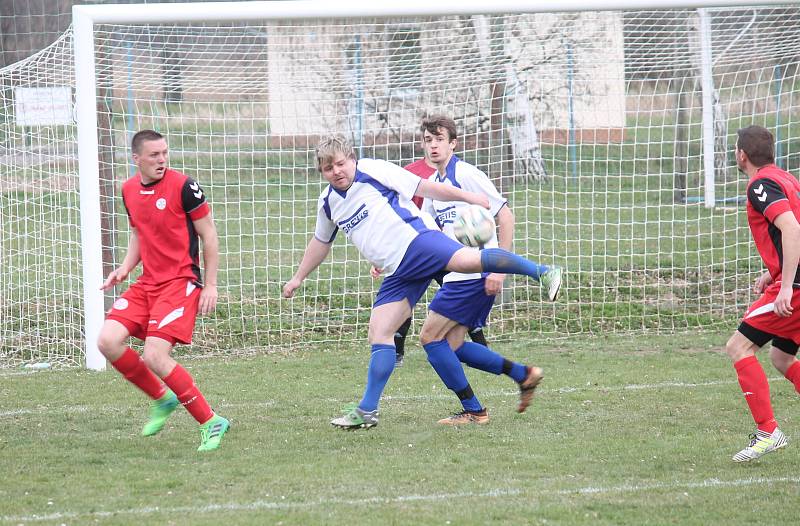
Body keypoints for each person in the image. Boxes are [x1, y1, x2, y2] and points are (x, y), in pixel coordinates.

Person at [282, 135, 560, 430]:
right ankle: (368, 411)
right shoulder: (327, 203)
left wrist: (467, 197)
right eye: (328, 168)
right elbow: (320, 241)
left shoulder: (373, 170)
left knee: (467, 262)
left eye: (341, 163)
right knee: (380, 331)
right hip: (397, 270)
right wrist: (298, 277)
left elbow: (423, 187)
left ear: (352, 159)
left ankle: (542, 272)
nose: (337, 171)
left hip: (417, 242)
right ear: (322, 172)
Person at [96, 130, 230, 452]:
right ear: (136, 159)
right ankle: (162, 399)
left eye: (164, 153)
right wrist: (126, 268)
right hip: (148, 282)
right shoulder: (128, 190)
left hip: (180, 282)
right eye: (154, 155)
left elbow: (209, 236)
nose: (161, 160)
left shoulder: (185, 187)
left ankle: (211, 420)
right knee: (107, 341)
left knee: (155, 355)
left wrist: (210, 285)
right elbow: (139, 235)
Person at [416, 115, 551, 424]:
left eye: (439, 139)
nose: (433, 145)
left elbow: (506, 217)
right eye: (428, 140)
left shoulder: (467, 175)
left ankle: (474, 410)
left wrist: (499, 270)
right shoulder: (435, 186)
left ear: (453, 143)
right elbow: (423, 230)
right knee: (453, 345)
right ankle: (524, 375)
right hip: (458, 274)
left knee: (429, 338)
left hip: (474, 274)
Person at [726, 125, 800, 462]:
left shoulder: (760, 184)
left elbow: (791, 227)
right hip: (792, 279)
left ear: (742, 154)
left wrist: (785, 285)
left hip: (795, 288)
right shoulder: (786, 178)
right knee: (781, 358)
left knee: (738, 346)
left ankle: (768, 432)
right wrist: (772, 271)